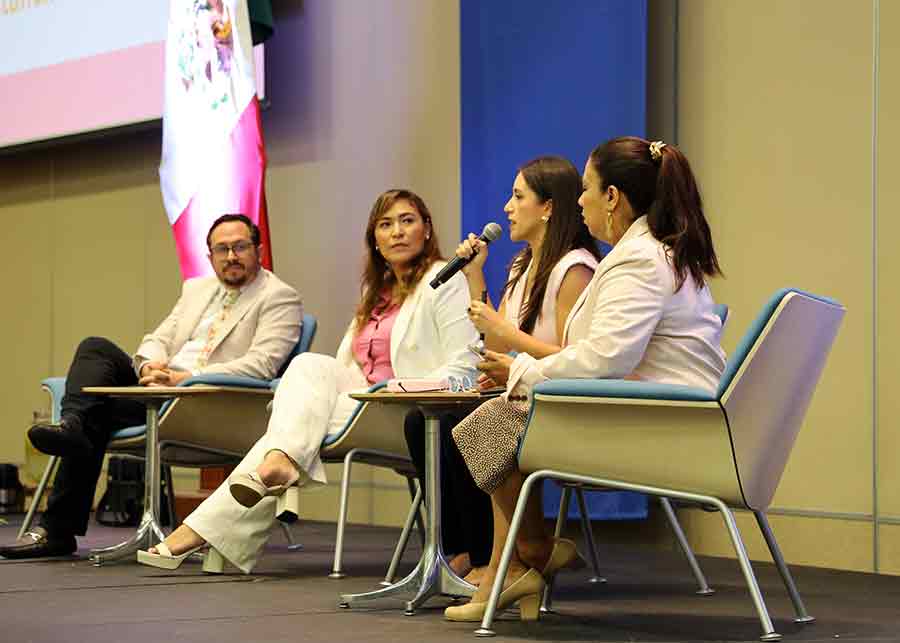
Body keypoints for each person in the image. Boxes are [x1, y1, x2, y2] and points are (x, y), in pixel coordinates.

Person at [445, 137, 727, 622]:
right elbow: (600, 356)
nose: (580, 200)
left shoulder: (637, 261)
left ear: (612, 197)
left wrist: (521, 370)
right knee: (494, 420)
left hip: (666, 428)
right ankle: (522, 560)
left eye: (588, 189)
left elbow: (602, 361)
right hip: (670, 416)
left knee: (489, 423)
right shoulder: (650, 254)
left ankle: (529, 554)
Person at [137, 188, 479, 573]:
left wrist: (396, 390)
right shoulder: (376, 291)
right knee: (307, 366)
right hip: (362, 405)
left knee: (290, 432)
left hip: (409, 409)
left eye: (407, 221)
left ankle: (219, 511)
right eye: (385, 225)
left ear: (427, 230)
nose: (397, 232)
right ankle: (274, 466)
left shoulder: (445, 279)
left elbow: (464, 367)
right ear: (375, 241)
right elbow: (343, 369)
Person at [0, 214, 302, 560]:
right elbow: (159, 338)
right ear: (210, 256)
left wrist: (183, 379)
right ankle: (74, 427)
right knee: (95, 347)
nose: (231, 256)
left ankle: (58, 528)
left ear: (258, 250)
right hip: (159, 391)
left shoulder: (280, 297)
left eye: (240, 246)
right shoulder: (197, 290)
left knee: (92, 414)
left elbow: (261, 365)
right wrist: (149, 366)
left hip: (206, 403)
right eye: (222, 249)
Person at [404, 156, 602, 586]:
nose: (507, 208)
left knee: (468, 423)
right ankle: (484, 552)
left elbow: (575, 357)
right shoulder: (521, 265)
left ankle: (507, 558)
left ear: (548, 207)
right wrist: (475, 276)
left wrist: (509, 348)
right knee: (422, 421)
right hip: (519, 394)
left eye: (518, 197)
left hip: (558, 403)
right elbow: (495, 344)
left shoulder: (575, 269)